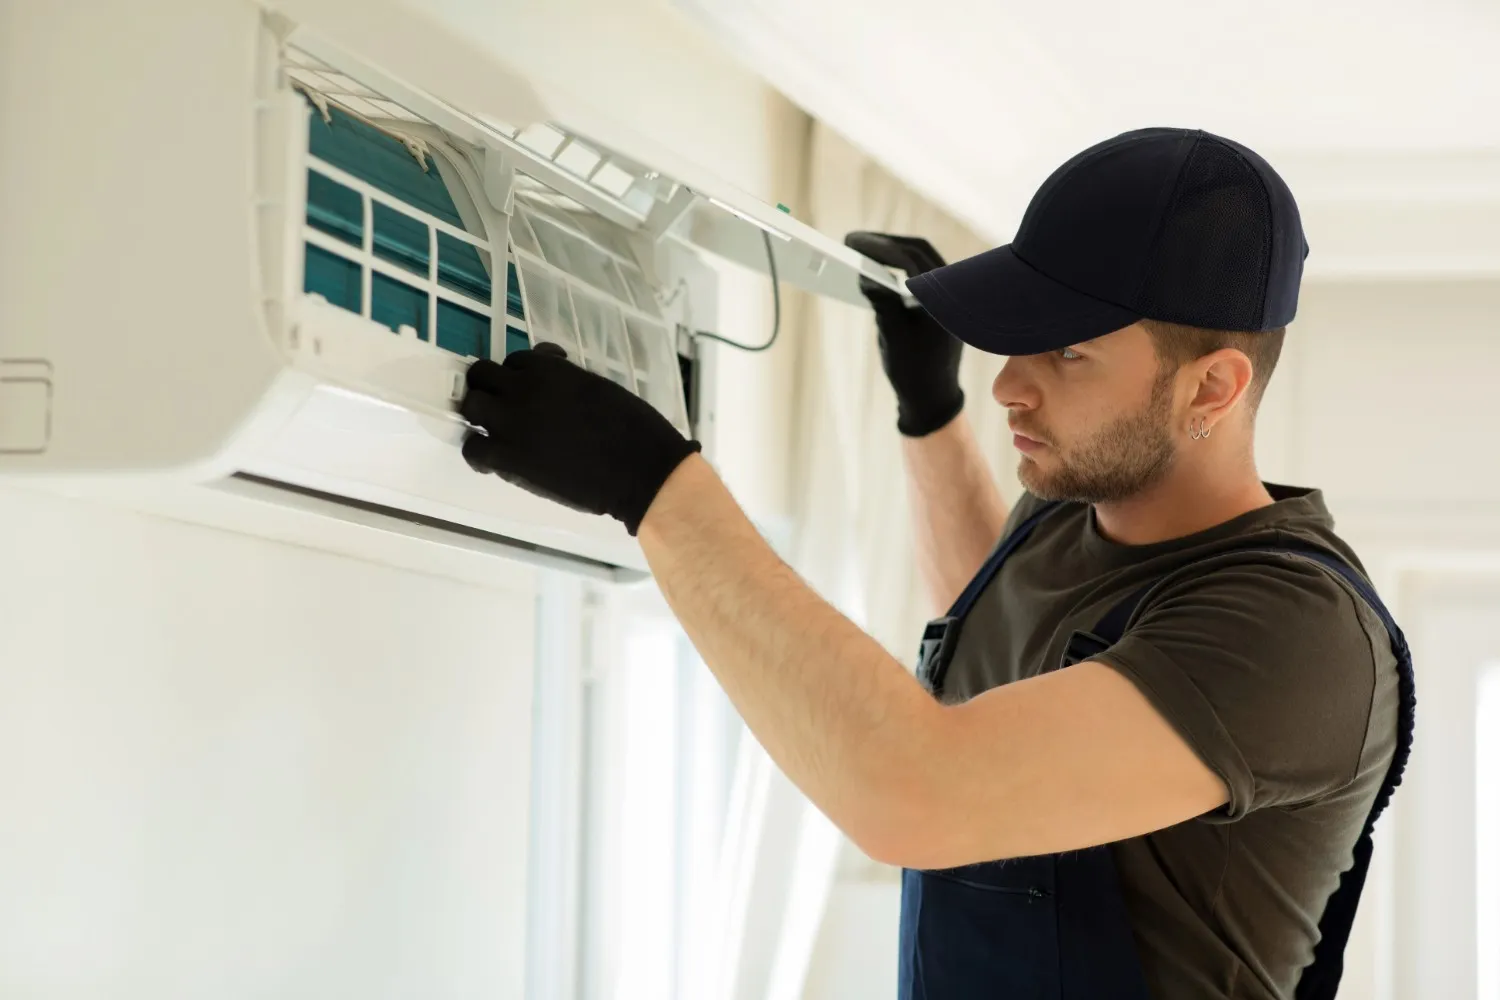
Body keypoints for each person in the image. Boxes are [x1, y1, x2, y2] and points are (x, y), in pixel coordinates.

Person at [457, 127, 1413, 1000]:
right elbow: (999, 619)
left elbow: (916, 794)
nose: (1007, 383)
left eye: (1068, 353)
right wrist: (930, 409)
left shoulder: (1289, 630)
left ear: (1213, 385)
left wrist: (652, 485)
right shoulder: (1073, 510)